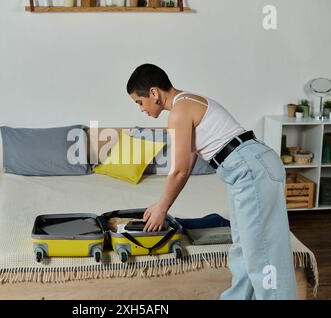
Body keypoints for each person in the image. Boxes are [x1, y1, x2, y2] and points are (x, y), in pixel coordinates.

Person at [126, 63, 297, 300]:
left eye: (139, 102)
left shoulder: (179, 111)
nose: (141, 109)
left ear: (154, 93)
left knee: (264, 252)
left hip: (250, 168)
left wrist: (162, 207)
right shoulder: (188, 102)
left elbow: (179, 171)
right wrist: (160, 203)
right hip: (248, 168)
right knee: (243, 249)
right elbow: (187, 162)